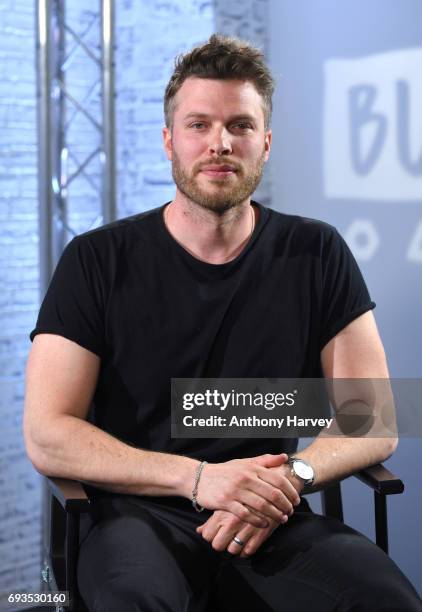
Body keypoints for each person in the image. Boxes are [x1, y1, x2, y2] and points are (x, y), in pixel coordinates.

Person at [24, 34, 422, 611]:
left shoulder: (315, 252)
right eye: (198, 125)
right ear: (168, 141)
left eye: (239, 125)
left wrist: (291, 477)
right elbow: (46, 432)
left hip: (271, 510)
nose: (220, 144)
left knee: (386, 601)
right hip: (139, 514)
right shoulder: (96, 260)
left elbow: (374, 418)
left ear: (265, 143)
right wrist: (199, 479)